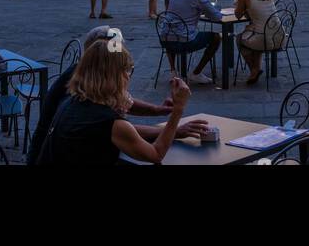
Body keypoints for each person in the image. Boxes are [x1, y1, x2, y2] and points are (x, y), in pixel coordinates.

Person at [27, 27, 207, 164]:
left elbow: (118, 130)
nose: (128, 76)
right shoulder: (106, 119)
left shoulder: (77, 96)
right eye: (127, 70)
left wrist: (160, 114)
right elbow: (155, 154)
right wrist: (178, 111)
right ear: (112, 75)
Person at [164, 0, 222, 85]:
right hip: (184, 39)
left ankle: (173, 71)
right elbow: (216, 17)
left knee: (171, 32)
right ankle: (196, 72)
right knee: (216, 37)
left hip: (165, 38)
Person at [234, 0, 284, 86]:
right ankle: (256, 69)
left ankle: (253, 69)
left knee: (240, 39)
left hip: (264, 38)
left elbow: (237, 15)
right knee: (254, 34)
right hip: (279, 35)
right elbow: (253, 13)